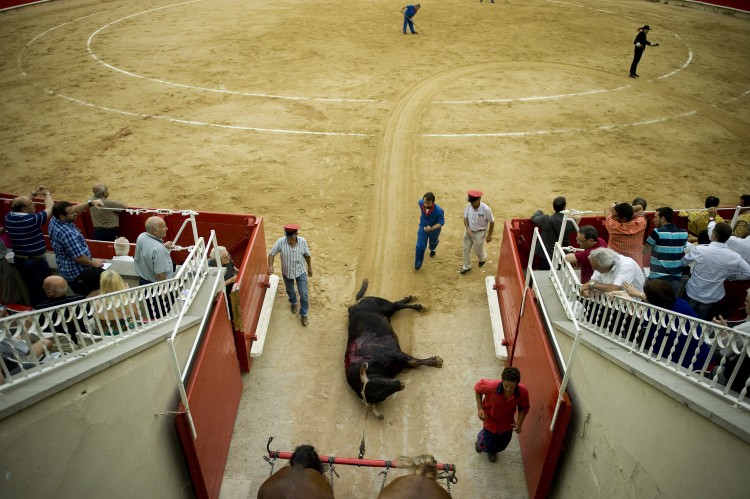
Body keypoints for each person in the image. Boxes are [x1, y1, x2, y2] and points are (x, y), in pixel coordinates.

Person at [622, 279, 711, 370]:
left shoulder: (655, 315)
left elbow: (638, 313)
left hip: (685, 364)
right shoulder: (681, 304)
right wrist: (639, 294)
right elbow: (660, 301)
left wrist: (626, 297)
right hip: (703, 357)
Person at [681, 222, 750, 319]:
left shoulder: (700, 250)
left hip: (694, 291)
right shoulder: (734, 257)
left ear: (714, 235)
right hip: (712, 296)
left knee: (683, 317)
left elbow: (683, 262)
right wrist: (734, 276)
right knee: (701, 320)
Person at [4, 186, 54, 305]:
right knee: (45, 289)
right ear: (24, 209)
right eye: (31, 204)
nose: (35, 205)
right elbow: (51, 207)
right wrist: (47, 194)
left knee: (32, 289)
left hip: (19, 260)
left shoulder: (9, 216)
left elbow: (18, 204)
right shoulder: (33, 219)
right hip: (36, 262)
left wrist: (33, 193)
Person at [48, 199, 106, 297]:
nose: (75, 214)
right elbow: (79, 258)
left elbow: (75, 210)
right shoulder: (67, 234)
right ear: (62, 216)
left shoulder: (55, 219)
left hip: (68, 268)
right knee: (101, 288)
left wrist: (89, 203)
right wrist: (94, 263)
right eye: (72, 213)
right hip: (78, 272)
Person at [474, 366, 530, 463]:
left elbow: (523, 408)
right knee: (487, 443)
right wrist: (480, 409)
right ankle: (480, 442)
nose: (508, 389)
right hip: (490, 421)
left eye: (512, 387)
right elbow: (477, 389)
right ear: (502, 380)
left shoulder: (523, 392)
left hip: (506, 424)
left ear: (517, 384)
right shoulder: (490, 386)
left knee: (502, 444)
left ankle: (492, 450)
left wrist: (519, 424)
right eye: (506, 385)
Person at [268, 224, 313, 326]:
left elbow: (307, 255)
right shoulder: (280, 242)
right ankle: (293, 303)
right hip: (287, 272)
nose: (289, 240)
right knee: (290, 290)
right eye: (288, 237)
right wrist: (270, 265)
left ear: (296, 234)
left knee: (304, 294)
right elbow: (271, 254)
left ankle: (304, 313)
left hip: (300, 271)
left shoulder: (302, 242)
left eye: (291, 237)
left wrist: (309, 267)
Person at [134, 217, 175, 319]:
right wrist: (165, 290)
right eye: (163, 227)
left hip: (144, 282)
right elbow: (160, 274)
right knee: (164, 314)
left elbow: (148, 252)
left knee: (153, 312)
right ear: (155, 230)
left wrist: (163, 246)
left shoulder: (141, 236)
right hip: (157, 288)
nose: (166, 228)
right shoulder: (159, 250)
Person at [643, 207, 689, 293]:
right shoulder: (684, 233)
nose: (653, 220)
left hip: (657, 280)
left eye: (655, 217)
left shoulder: (657, 232)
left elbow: (645, 251)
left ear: (663, 218)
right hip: (675, 278)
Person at [530, 196, 578, 270]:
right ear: (565, 207)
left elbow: (534, 218)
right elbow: (575, 230)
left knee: (544, 272)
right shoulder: (570, 222)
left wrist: (539, 211)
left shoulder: (546, 219)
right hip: (561, 254)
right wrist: (576, 221)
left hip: (547, 254)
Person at [580, 247, 645, 298]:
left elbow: (615, 288)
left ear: (607, 265)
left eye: (595, 267)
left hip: (633, 305)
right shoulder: (600, 263)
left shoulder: (627, 265)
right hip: (612, 302)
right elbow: (593, 280)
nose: (593, 269)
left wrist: (591, 285)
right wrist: (587, 288)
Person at [603, 202, 647, 268]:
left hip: (617, 268)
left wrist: (617, 207)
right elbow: (640, 207)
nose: (612, 216)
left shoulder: (613, 226)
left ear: (623, 219)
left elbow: (607, 208)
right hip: (636, 267)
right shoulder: (641, 222)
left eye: (615, 216)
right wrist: (630, 212)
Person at [461, 190, 495, 275]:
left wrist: (489, 235)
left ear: (478, 200)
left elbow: (492, 222)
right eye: (470, 202)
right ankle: (466, 266)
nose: (471, 204)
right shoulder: (469, 206)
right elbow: (465, 218)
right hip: (468, 231)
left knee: (478, 251)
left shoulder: (486, 209)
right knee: (466, 249)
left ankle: (482, 258)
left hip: (479, 233)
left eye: (473, 202)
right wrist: (467, 228)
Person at [414, 192, 445, 271]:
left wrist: (431, 228)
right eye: (425, 203)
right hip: (423, 227)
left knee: (433, 242)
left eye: (428, 203)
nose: (426, 205)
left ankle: (432, 248)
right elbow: (420, 202)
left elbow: (441, 223)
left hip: (434, 230)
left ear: (433, 202)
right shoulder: (421, 203)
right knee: (420, 246)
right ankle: (418, 263)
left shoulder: (438, 211)